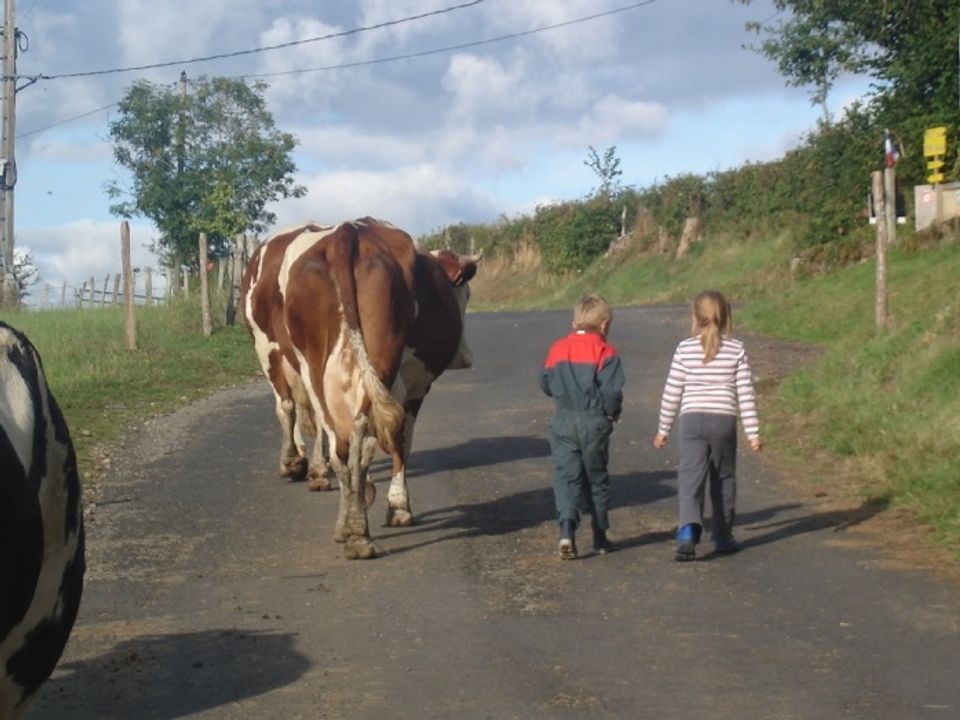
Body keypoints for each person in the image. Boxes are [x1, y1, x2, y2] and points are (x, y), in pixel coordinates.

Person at [653, 290, 762, 562]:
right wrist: (753, 433)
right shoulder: (736, 349)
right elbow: (745, 394)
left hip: (691, 421)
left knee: (691, 478)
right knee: (724, 479)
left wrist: (663, 428)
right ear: (726, 318)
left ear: (695, 317)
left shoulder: (684, 349)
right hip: (723, 421)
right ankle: (723, 536)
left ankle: (688, 531)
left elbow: (672, 391)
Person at [540, 294, 625, 559]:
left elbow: (545, 383)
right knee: (596, 479)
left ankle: (566, 531)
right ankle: (600, 536)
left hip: (563, 420)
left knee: (566, 476)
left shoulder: (557, 348)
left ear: (573, 321)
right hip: (593, 420)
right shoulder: (605, 351)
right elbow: (611, 391)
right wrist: (611, 414)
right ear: (604, 325)